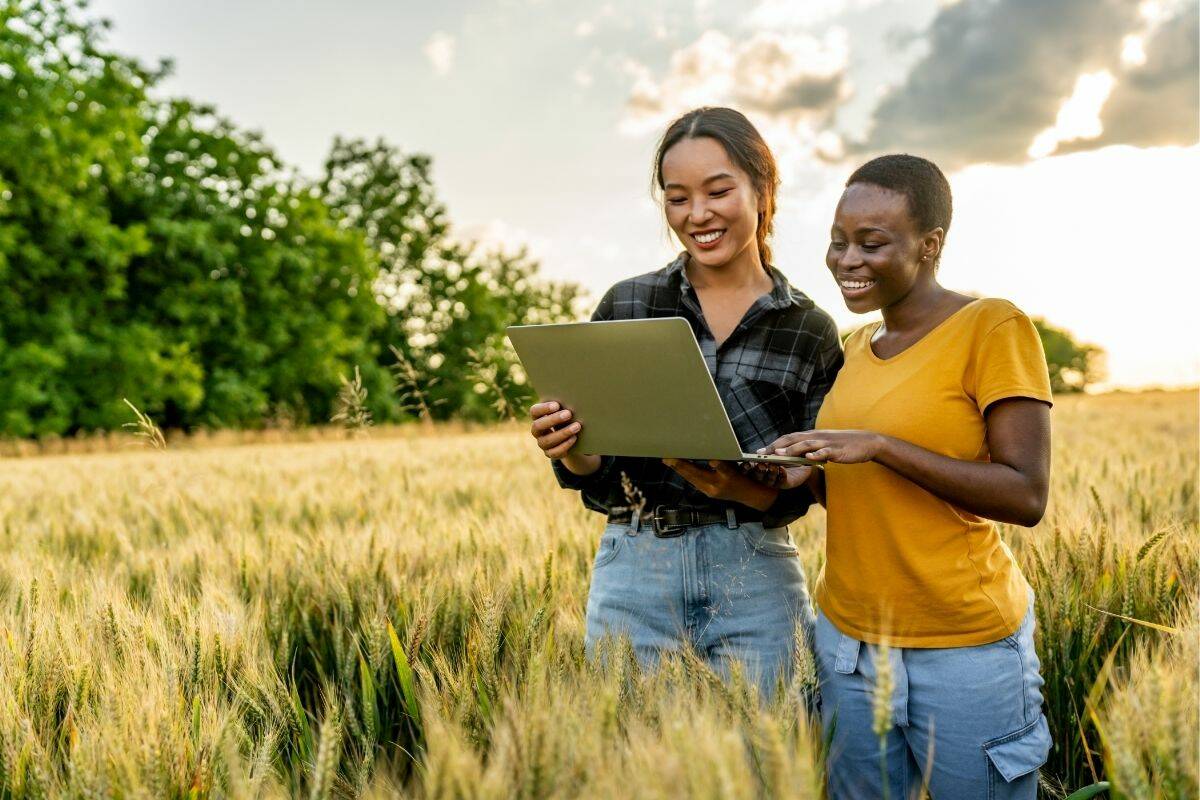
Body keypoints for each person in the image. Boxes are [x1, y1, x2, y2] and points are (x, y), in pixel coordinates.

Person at [760, 154, 1054, 798]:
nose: (847, 260)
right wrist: (801, 474)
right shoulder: (856, 348)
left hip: (962, 650)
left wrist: (882, 446)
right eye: (838, 242)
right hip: (849, 646)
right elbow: (862, 494)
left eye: (871, 243)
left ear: (930, 244)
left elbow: (1026, 494)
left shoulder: (992, 326)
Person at [526, 107, 843, 698]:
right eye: (677, 198)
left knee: (771, 751)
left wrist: (752, 485)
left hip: (755, 570)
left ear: (763, 189)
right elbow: (595, 470)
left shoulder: (809, 328)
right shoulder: (627, 305)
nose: (697, 214)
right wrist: (568, 447)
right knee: (634, 750)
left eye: (717, 191)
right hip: (635, 567)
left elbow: (817, 484)